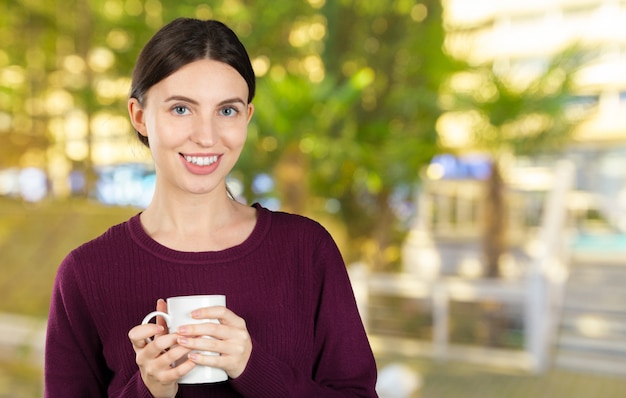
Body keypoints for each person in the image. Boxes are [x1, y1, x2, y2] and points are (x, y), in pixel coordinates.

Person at [44, 17, 378, 397]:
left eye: (227, 111)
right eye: (181, 109)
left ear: (247, 117)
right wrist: (148, 390)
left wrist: (254, 368)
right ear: (139, 116)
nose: (206, 137)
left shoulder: (307, 250)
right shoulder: (86, 273)